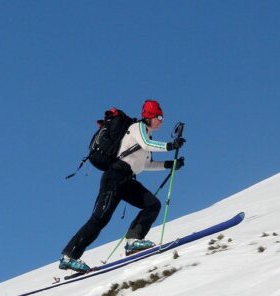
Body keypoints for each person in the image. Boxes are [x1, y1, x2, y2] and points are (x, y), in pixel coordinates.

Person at [59, 99, 185, 273]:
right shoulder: (137, 128)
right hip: (114, 176)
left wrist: (170, 164)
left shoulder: (147, 135)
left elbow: (145, 164)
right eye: (159, 116)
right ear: (150, 116)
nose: (161, 120)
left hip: (126, 179)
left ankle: (133, 240)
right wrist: (170, 146)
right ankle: (69, 256)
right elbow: (148, 146)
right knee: (100, 219)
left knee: (152, 204)